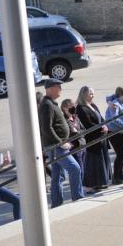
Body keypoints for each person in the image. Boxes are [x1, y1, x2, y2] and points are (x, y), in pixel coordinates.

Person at [38, 78, 84, 207]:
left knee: (58, 175)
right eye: (58, 86)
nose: (60, 89)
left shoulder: (51, 103)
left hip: (56, 145)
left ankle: (57, 203)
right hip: (55, 146)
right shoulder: (47, 105)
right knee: (75, 168)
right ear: (49, 88)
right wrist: (60, 143)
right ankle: (78, 197)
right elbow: (47, 128)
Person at [76, 86, 111, 192]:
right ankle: (93, 184)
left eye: (93, 93)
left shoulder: (93, 105)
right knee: (94, 162)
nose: (92, 95)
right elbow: (87, 123)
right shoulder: (81, 108)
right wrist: (101, 128)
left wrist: (105, 125)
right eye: (90, 93)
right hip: (93, 137)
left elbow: (100, 117)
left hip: (101, 136)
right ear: (84, 94)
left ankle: (102, 182)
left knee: (103, 159)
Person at [105, 86, 123, 184]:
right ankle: (115, 177)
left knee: (122, 154)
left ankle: (120, 175)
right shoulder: (115, 103)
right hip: (114, 132)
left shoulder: (122, 103)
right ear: (121, 95)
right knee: (120, 153)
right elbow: (114, 118)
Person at [60, 98, 87, 178]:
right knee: (79, 171)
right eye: (71, 106)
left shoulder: (75, 117)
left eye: (74, 106)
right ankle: (79, 189)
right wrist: (77, 132)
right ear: (65, 108)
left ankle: (81, 188)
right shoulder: (64, 121)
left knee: (83, 170)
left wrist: (77, 132)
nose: (74, 108)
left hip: (83, 145)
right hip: (74, 149)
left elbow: (84, 130)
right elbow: (70, 134)